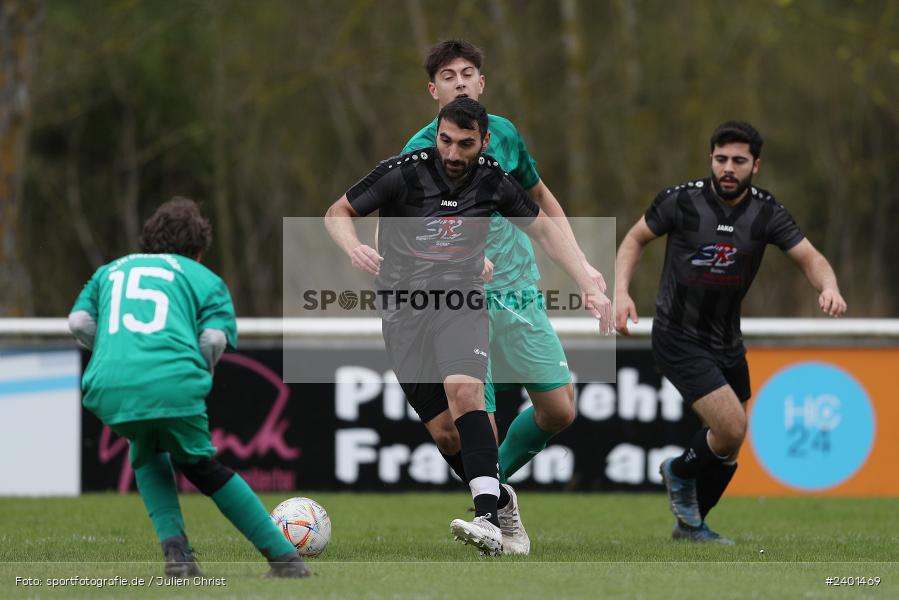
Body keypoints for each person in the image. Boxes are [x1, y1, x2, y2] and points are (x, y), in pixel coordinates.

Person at [325, 97, 611, 555]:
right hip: (403, 313)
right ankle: (499, 496)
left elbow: (543, 229)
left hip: (461, 300)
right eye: (445, 141)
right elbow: (337, 212)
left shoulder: (494, 181)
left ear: (484, 141)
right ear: (435, 133)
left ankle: (487, 520)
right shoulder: (402, 170)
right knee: (444, 432)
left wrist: (588, 284)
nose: (453, 153)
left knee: (466, 393)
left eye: (465, 143)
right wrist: (353, 247)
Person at [399, 39, 606, 555]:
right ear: (433, 89)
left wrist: (584, 272)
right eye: (449, 75)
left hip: (521, 292)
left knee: (559, 409)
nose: (461, 81)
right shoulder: (418, 152)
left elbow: (540, 200)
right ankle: (491, 506)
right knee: (475, 417)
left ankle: (490, 484)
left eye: (469, 73)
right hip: (460, 303)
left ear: (482, 83)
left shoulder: (505, 135)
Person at [614, 121, 847, 543]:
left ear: (755, 165)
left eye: (738, 161)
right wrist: (621, 292)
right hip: (677, 334)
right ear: (711, 160)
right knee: (732, 427)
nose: (727, 168)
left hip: (726, 340)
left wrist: (828, 286)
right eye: (721, 159)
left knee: (730, 445)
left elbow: (811, 258)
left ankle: (691, 526)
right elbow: (634, 240)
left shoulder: (767, 212)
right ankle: (679, 471)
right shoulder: (679, 200)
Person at [68, 198, 308, 578]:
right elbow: (213, 340)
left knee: (146, 451)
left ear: (148, 243)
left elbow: (79, 321)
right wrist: (195, 371)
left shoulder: (109, 271)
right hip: (173, 381)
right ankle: (285, 560)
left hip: (106, 384)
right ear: (198, 251)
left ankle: (178, 556)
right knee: (201, 466)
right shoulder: (204, 278)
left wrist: (118, 351)